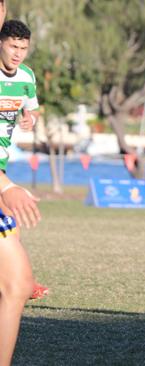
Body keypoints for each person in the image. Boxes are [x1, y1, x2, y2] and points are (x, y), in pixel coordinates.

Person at [0, 19, 48, 300]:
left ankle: (17, 278)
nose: (17, 53)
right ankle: (19, 279)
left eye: (23, 48)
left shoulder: (26, 77)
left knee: (7, 216)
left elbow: (33, 109)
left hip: (2, 159)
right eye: (12, 46)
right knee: (7, 213)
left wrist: (31, 119)